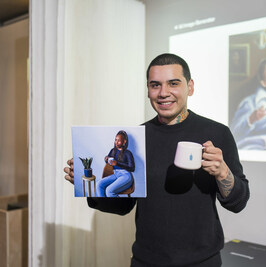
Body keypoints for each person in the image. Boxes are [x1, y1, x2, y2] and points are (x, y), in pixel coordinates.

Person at [64, 53, 250, 266]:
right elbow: (123, 206)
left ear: (190, 87)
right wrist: (90, 183)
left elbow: (238, 202)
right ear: (148, 90)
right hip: (146, 261)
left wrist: (223, 173)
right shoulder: (136, 138)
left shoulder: (217, 133)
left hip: (202, 262)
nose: (163, 93)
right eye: (155, 85)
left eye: (173, 83)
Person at [98, 130, 135, 197]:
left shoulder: (128, 153)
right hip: (116, 174)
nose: (116, 142)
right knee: (99, 184)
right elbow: (109, 161)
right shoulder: (113, 151)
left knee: (109, 191)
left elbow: (132, 168)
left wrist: (117, 164)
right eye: (115, 140)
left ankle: (116, 206)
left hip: (125, 176)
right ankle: (104, 203)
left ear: (124, 142)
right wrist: (106, 159)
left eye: (119, 140)